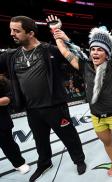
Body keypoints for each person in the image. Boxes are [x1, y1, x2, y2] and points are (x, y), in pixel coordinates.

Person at [47, 4, 112, 180]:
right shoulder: (84, 66)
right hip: (96, 116)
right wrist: (56, 33)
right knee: (107, 142)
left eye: (100, 49)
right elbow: (65, 51)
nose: (95, 52)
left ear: (107, 53)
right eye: (93, 49)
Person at [0, 16, 86, 182]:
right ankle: (44, 163)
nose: (12, 34)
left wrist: (61, 36)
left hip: (55, 106)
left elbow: (80, 58)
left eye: (16, 30)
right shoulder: (11, 56)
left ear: (31, 33)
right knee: (40, 142)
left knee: (69, 136)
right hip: (32, 109)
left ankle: (79, 160)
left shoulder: (49, 50)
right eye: (11, 30)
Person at [0, 75, 30, 174]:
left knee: (8, 144)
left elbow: (9, 98)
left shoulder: (3, 81)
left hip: (1, 120)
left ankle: (19, 163)